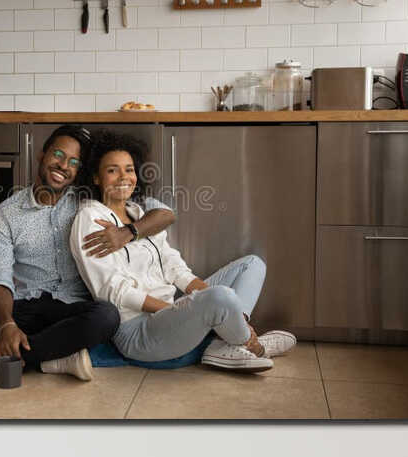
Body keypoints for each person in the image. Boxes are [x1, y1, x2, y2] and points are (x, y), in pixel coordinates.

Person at [0, 125, 175, 381]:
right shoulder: (6, 215)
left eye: (74, 162)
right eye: (59, 155)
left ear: (79, 171)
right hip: (23, 308)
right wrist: (7, 324)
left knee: (107, 316)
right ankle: (55, 355)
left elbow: (165, 214)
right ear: (42, 155)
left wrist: (127, 232)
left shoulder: (89, 202)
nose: (64, 166)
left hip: (74, 309)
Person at [69, 133, 295, 371]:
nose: (124, 177)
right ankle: (252, 345)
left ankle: (232, 338)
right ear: (96, 177)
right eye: (113, 170)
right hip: (138, 330)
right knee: (220, 297)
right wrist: (180, 309)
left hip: (171, 313)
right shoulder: (90, 218)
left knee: (252, 264)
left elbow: (174, 267)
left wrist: (193, 306)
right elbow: (113, 290)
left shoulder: (138, 212)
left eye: (129, 169)